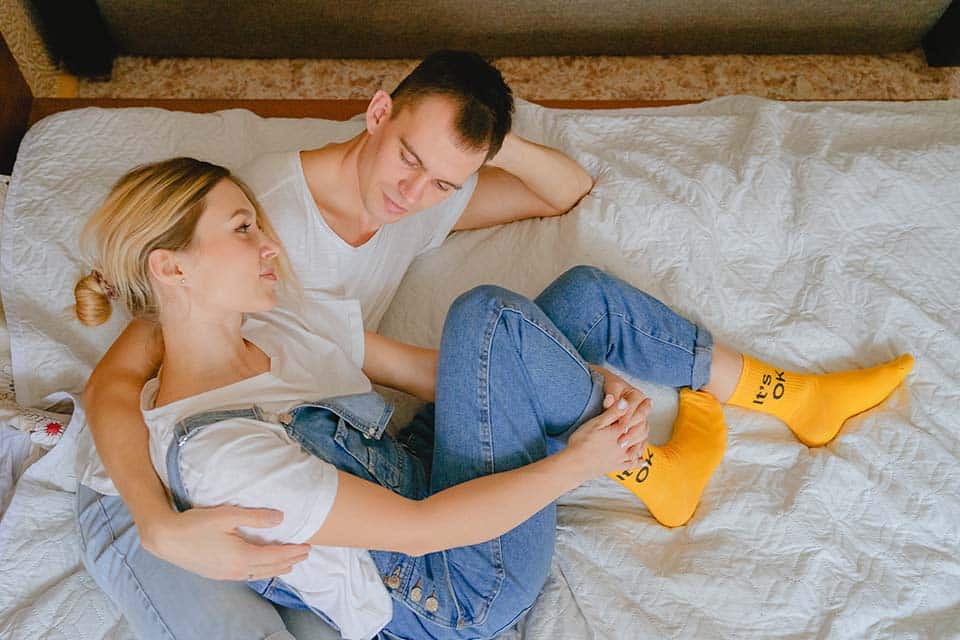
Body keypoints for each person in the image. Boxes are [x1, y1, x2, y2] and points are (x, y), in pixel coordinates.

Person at [76, 158, 912, 639]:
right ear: (171, 268)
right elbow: (424, 532)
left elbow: (436, 372)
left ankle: (791, 397)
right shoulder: (223, 455)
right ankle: (649, 470)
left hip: (427, 473)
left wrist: (561, 377)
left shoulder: (279, 322)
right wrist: (579, 459)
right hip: (460, 581)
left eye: (259, 222)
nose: (269, 244)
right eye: (242, 228)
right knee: (491, 316)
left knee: (574, 300)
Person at [79, 51, 600, 606]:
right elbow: (116, 377)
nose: (412, 191)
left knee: (559, 310)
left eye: (443, 180)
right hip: (150, 481)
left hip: (333, 452)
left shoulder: (422, 193)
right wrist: (156, 523)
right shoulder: (266, 220)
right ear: (378, 114)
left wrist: (479, 143)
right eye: (408, 157)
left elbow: (564, 191)